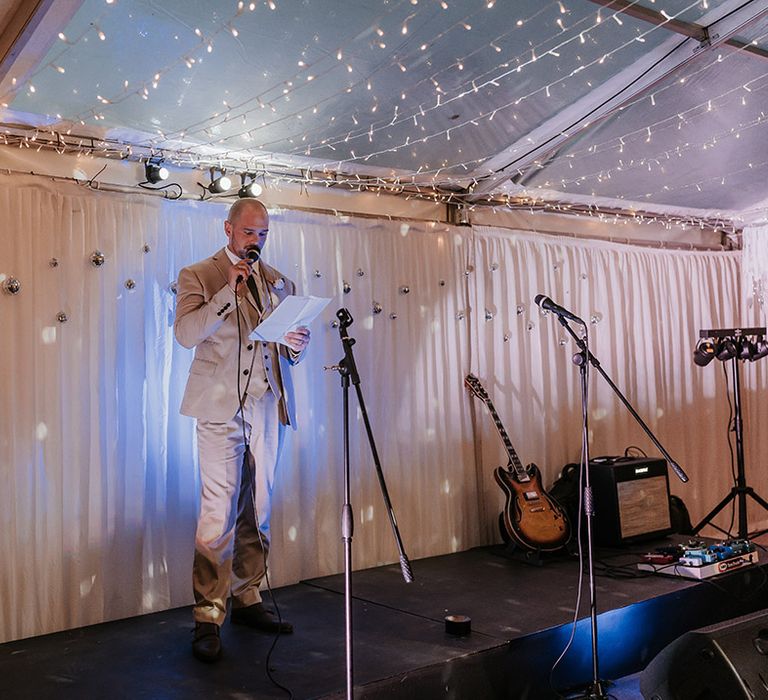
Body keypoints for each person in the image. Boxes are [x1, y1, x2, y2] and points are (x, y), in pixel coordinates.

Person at [174, 198, 310, 662]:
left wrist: (297, 344)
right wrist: (225, 295)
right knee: (218, 512)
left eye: (263, 234)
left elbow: (285, 347)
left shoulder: (279, 282)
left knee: (261, 506)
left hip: (268, 405)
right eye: (250, 233)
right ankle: (208, 614)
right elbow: (186, 334)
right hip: (219, 408)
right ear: (228, 229)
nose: (256, 241)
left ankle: (248, 596)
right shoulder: (199, 274)